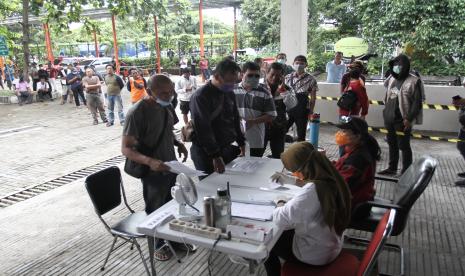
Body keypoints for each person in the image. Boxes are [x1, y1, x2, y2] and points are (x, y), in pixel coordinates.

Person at [122, 74, 188, 261]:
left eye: (171, 92)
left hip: (170, 165)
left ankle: (173, 240)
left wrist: (177, 143)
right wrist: (150, 162)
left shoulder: (166, 106)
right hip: (152, 171)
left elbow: (167, 130)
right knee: (156, 209)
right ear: (149, 91)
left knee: (174, 204)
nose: (168, 96)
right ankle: (158, 244)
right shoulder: (137, 112)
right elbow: (126, 148)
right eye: (163, 93)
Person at [266, 142, 351, 276]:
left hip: (313, 256)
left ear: (303, 169)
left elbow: (281, 219)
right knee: (288, 229)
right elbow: (315, 183)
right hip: (330, 245)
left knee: (267, 239)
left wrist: (281, 202)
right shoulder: (332, 177)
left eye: (293, 171)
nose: (293, 174)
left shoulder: (311, 192)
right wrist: (291, 180)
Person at [189, 58, 245, 175]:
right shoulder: (201, 96)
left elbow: (235, 118)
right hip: (206, 153)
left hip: (226, 148)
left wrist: (241, 142)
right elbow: (203, 128)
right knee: (211, 188)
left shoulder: (229, 93)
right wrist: (215, 156)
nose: (233, 85)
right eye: (230, 82)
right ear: (218, 77)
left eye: (235, 82)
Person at [378, 54, 424, 175]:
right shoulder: (392, 79)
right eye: (394, 65)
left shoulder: (414, 81)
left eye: (399, 65)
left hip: (402, 119)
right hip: (389, 116)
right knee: (391, 143)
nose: (396, 67)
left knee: (403, 145)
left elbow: (417, 103)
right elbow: (388, 94)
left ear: (405, 66)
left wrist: (409, 119)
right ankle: (392, 168)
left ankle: (406, 171)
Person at [333, 116, 381, 218]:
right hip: (354, 199)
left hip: (351, 205)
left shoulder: (358, 159)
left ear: (358, 136)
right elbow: (342, 167)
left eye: (345, 131)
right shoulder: (355, 150)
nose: (340, 134)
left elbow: (340, 187)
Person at [234, 62, 277, 157]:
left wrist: (253, 121)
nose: (253, 78)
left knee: (254, 167)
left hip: (256, 140)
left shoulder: (264, 93)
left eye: (257, 76)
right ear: (242, 74)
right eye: (250, 75)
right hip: (234, 139)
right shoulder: (232, 91)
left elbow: (272, 115)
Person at [260, 62, 297, 158]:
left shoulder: (287, 88)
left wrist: (283, 91)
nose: (274, 78)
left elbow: (292, 105)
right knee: (256, 155)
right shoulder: (258, 87)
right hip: (260, 127)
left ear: (282, 76)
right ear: (266, 74)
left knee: (278, 156)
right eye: (272, 74)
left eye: (278, 75)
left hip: (279, 128)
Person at [285, 55, 318, 141]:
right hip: (287, 108)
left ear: (306, 65)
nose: (299, 65)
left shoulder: (311, 79)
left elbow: (313, 98)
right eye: (297, 63)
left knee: (301, 134)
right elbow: (282, 92)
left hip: (302, 109)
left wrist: (311, 111)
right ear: (293, 64)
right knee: (281, 130)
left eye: (302, 63)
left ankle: (300, 151)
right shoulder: (287, 77)